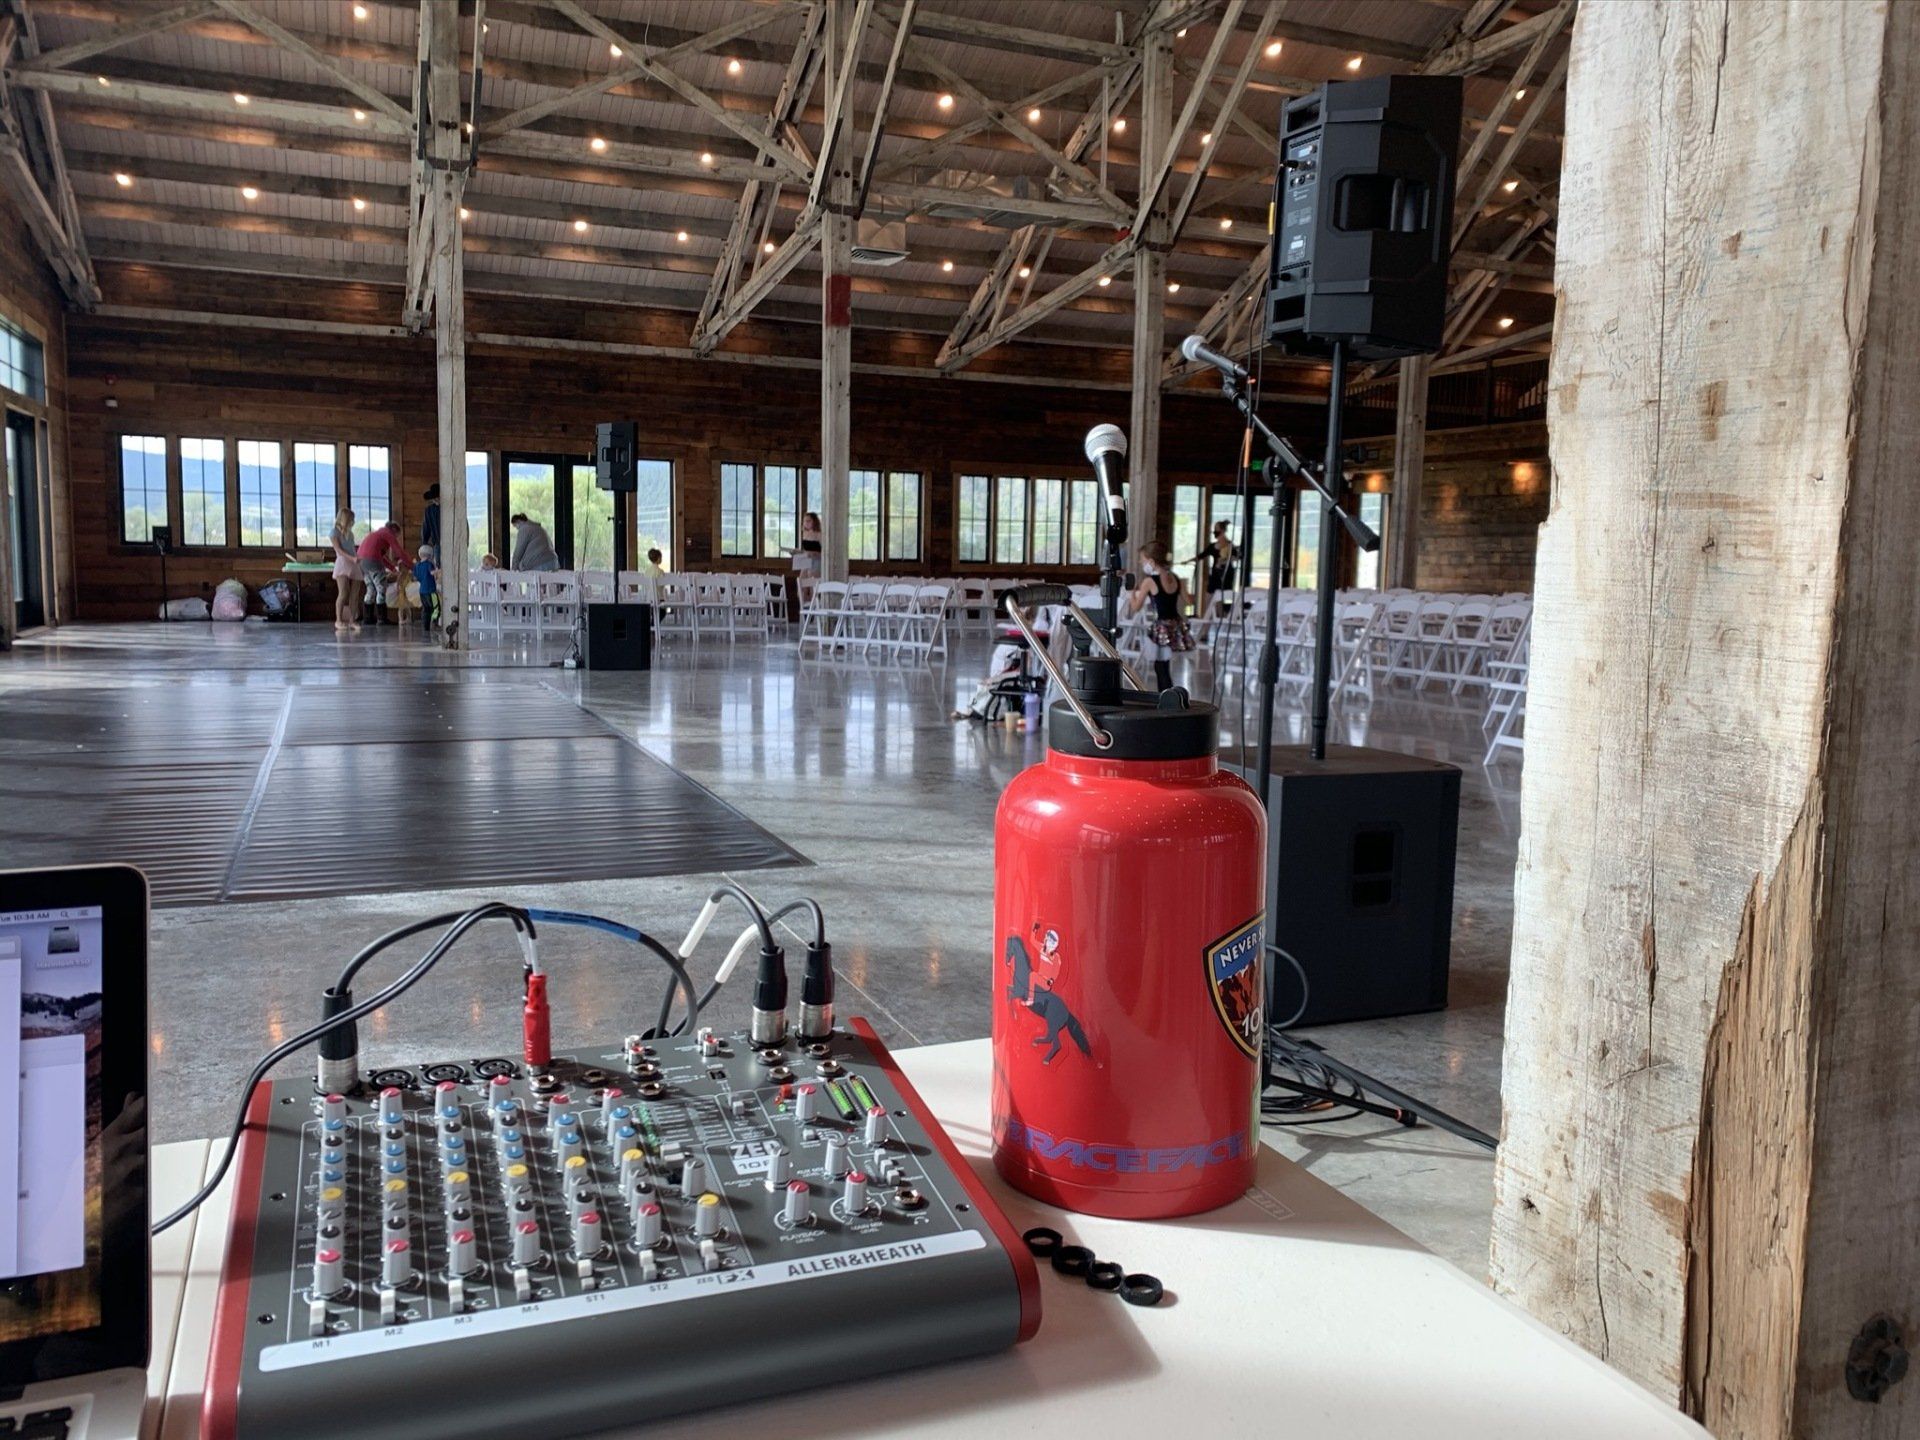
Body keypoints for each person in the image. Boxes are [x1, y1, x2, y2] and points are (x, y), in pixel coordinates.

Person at [1126, 540, 1194, 692]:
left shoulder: (1149, 581)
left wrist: (1131, 593)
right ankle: (1167, 696)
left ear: (1151, 561)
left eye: (1142, 560)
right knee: (1164, 665)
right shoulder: (1176, 578)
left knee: (1160, 666)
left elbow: (1136, 607)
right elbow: (1189, 601)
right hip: (1175, 625)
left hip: (1161, 626)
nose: (1141, 563)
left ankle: (1165, 698)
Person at [355, 519, 413, 626]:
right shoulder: (387, 533)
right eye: (397, 535)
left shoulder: (377, 534)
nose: (396, 538)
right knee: (381, 588)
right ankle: (382, 619)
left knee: (370, 588)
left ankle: (368, 618)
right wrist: (413, 566)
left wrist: (393, 569)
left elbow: (382, 556)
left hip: (361, 561)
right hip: (373, 561)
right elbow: (399, 551)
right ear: (394, 529)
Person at [1200, 521, 1236, 635]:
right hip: (1215, 576)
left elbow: (1236, 558)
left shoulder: (1230, 546)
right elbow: (1201, 555)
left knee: (1221, 603)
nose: (1215, 532)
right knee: (1209, 601)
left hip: (1225, 576)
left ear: (1223, 531)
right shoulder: (1212, 546)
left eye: (1217, 529)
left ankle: (1222, 631)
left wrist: (1225, 560)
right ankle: (1205, 631)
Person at [329, 506, 360, 633]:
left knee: (355, 593)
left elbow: (352, 548)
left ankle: (352, 620)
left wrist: (357, 557)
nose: (353, 522)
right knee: (343, 593)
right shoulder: (334, 532)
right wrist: (351, 558)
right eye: (351, 519)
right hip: (343, 562)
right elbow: (339, 550)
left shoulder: (350, 534)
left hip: (353, 562)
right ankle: (339, 620)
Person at [784, 512, 823, 577]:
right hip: (806, 560)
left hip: (816, 561)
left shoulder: (819, 534)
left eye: (809, 521)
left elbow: (824, 552)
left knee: (812, 581)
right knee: (801, 580)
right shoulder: (805, 534)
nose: (806, 523)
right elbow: (805, 550)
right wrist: (796, 551)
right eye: (805, 521)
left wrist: (815, 554)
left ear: (814, 522)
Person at [412, 544, 440, 631]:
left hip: (422, 591)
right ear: (430, 555)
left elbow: (415, 578)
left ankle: (425, 626)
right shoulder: (429, 564)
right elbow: (432, 573)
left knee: (425, 608)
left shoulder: (417, 565)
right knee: (436, 607)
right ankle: (434, 622)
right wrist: (438, 571)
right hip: (431, 590)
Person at [420, 484, 441, 558]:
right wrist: (424, 543)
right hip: (437, 543)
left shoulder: (448, 510)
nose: (436, 500)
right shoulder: (429, 511)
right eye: (434, 498)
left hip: (448, 543)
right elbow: (426, 528)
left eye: (437, 497)